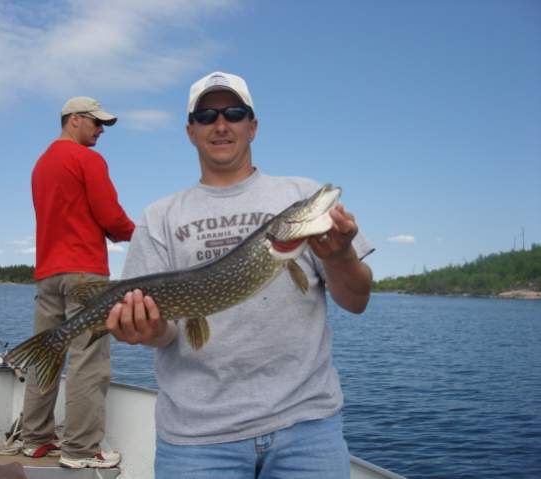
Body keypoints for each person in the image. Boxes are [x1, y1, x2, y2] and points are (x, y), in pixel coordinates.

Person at [106, 71, 374, 479]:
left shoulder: (299, 193)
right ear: (190, 131)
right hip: (196, 439)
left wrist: (339, 259)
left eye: (233, 112)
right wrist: (146, 329)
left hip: (307, 427)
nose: (221, 124)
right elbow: (165, 334)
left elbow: (356, 301)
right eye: (206, 116)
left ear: (253, 126)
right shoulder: (159, 217)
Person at [21, 96, 135, 469]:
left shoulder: (40, 164)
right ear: (74, 120)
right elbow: (110, 215)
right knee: (89, 360)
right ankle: (81, 449)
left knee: (45, 354)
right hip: (84, 271)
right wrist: (139, 233)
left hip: (47, 274)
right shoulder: (88, 159)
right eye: (97, 123)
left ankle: (35, 438)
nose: (101, 131)